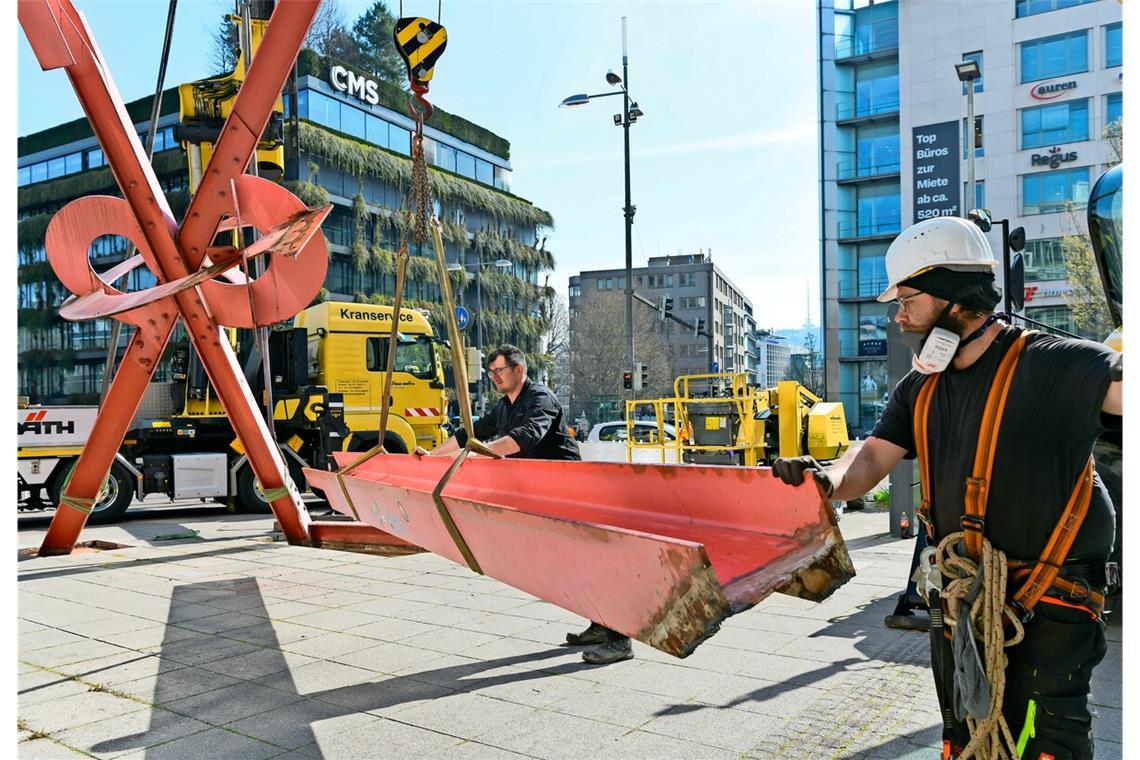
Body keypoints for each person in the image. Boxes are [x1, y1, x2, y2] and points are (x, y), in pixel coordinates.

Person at [772, 216, 1121, 760]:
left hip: (1050, 606)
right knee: (964, 735)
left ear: (955, 297)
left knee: (1046, 744)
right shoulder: (920, 388)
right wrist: (826, 478)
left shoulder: (1053, 365)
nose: (899, 316)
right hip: (961, 605)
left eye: (907, 299)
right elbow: (871, 458)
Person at [414, 344, 633, 665]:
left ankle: (621, 638)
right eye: (491, 372)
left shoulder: (540, 399)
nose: (494, 377)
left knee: (587, 560)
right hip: (539, 492)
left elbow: (525, 437)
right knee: (567, 564)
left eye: (499, 371)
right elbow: (468, 434)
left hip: (569, 491)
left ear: (519, 369)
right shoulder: (504, 407)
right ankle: (601, 624)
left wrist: (476, 455)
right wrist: (432, 457)